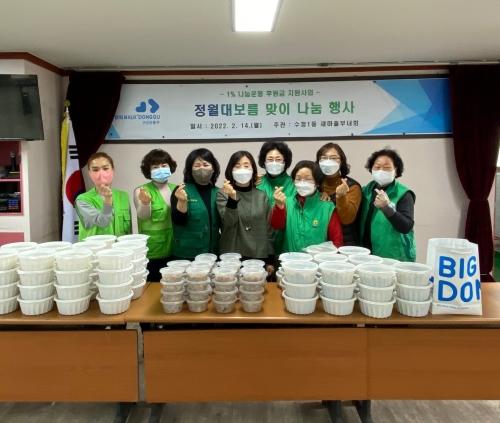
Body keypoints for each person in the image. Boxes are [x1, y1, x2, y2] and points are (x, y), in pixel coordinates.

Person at [270, 160, 343, 252]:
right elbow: (277, 226)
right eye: (298, 179)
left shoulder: (327, 207)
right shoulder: (286, 202)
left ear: (317, 182)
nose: (302, 182)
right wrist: (279, 207)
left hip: (316, 259)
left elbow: (337, 240)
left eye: (308, 179)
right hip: (290, 258)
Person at [217, 150, 273, 268]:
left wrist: (270, 258)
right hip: (231, 255)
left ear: (253, 170)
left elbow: (269, 229)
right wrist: (232, 197)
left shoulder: (261, 195)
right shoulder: (223, 194)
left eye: (246, 166)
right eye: (237, 166)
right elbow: (228, 223)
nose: (242, 169)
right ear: (230, 170)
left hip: (258, 255)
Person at [359, 148, 416, 261]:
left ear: (396, 170)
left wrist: (387, 208)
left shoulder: (403, 194)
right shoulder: (365, 191)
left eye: (387, 167)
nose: (381, 171)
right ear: (371, 169)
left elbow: (406, 226)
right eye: (377, 167)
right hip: (366, 254)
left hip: (394, 256)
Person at [134, 149, 177, 281]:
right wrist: (145, 203)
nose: (160, 169)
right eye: (155, 167)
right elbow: (143, 216)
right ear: (148, 170)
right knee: (153, 287)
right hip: (153, 251)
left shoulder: (176, 189)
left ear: (170, 167)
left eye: (164, 165)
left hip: (175, 247)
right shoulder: (141, 190)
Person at [171, 148, 221, 260]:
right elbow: (178, 221)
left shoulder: (218, 192)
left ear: (213, 168)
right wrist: (182, 202)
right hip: (187, 254)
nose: (202, 169)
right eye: (197, 165)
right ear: (190, 169)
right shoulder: (181, 190)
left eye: (206, 165)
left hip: (213, 253)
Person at [76, 152, 131, 241]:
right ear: (90, 173)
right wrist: (108, 201)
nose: (101, 173)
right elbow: (103, 222)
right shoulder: (82, 200)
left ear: (113, 170)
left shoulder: (123, 196)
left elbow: (128, 231)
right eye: (95, 170)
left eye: (105, 168)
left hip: (120, 248)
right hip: (93, 248)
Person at [316, 142, 362, 246]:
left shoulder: (352, 186)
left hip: (345, 244)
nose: (328, 161)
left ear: (341, 162)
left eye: (333, 158)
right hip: (320, 242)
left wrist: (341, 196)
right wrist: (318, 194)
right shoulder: (316, 185)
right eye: (324, 158)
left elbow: (347, 219)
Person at [256, 141, 296, 256]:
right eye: (270, 159)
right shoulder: (257, 183)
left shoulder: (294, 184)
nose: (274, 163)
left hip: (288, 239)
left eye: (278, 159)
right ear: (264, 162)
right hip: (261, 241)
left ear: (285, 162)